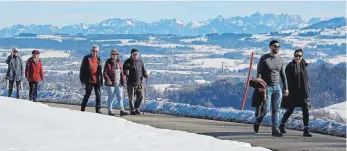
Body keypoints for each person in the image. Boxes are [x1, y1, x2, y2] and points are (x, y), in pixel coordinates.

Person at [254, 40, 289, 137]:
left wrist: (285, 88)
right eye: (275, 46)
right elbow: (259, 73)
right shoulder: (264, 59)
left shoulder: (280, 59)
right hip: (267, 87)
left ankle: (275, 129)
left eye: (278, 46)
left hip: (277, 87)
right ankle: (258, 121)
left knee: (276, 109)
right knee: (266, 109)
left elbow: (283, 74)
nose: (277, 48)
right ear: (270, 47)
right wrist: (260, 86)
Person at [280, 49, 312, 137]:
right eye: (296, 55)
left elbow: (306, 79)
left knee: (305, 110)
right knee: (290, 110)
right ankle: (282, 125)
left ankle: (306, 129)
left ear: (302, 57)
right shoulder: (290, 66)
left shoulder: (304, 65)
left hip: (303, 92)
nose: (298, 57)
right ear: (293, 56)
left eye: (300, 56)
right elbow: (286, 80)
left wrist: (308, 89)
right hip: (293, 92)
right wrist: (286, 90)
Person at [123, 48, 149, 115]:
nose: (135, 55)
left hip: (140, 82)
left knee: (141, 96)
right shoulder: (127, 62)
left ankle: (136, 108)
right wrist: (126, 73)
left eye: (136, 54)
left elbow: (143, 70)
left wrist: (145, 74)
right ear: (131, 54)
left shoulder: (140, 61)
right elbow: (125, 71)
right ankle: (132, 110)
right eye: (134, 54)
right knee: (131, 98)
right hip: (131, 83)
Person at [104, 49, 129, 116]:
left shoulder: (120, 63)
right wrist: (108, 80)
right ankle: (110, 111)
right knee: (111, 97)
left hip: (119, 83)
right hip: (110, 84)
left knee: (120, 97)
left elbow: (122, 73)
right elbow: (105, 73)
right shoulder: (108, 62)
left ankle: (122, 110)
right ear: (111, 55)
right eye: (113, 54)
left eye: (116, 54)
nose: (115, 55)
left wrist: (123, 82)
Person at [80, 45, 103, 113]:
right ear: (91, 51)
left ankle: (98, 109)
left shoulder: (99, 59)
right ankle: (82, 108)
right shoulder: (86, 58)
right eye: (93, 51)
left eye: (96, 51)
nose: (95, 52)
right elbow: (82, 70)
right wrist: (82, 80)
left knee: (98, 95)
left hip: (97, 80)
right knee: (87, 94)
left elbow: (100, 71)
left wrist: (101, 80)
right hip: (89, 80)